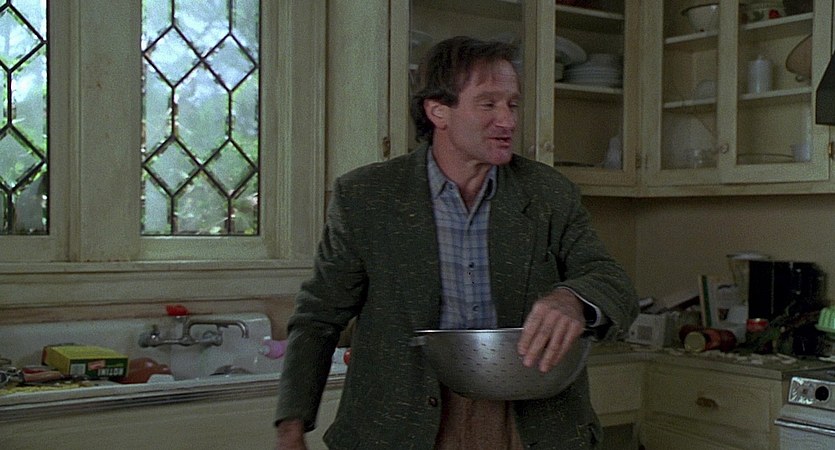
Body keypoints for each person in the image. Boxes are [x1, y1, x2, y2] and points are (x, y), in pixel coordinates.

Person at [275, 36, 638, 449]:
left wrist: (573, 299)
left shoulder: (549, 193)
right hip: (402, 424)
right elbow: (319, 317)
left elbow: (611, 280)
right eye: (488, 104)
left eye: (512, 104)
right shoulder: (366, 197)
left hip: (526, 422)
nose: (508, 121)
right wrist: (292, 425)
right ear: (438, 111)